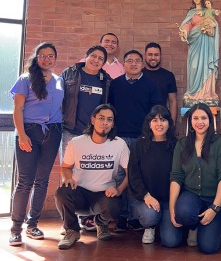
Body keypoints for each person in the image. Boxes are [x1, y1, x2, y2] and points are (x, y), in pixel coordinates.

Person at [9, 42, 64, 246]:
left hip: (53, 132)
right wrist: (22, 135)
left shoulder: (59, 81)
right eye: (43, 56)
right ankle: (16, 228)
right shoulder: (25, 79)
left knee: (42, 181)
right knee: (25, 181)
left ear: (55, 58)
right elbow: (17, 109)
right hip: (29, 132)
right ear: (36, 57)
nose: (47, 59)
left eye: (51, 56)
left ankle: (32, 224)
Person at [55, 104, 130, 250]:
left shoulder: (119, 144)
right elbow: (65, 167)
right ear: (93, 120)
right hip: (80, 193)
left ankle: (101, 222)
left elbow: (131, 172)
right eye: (101, 118)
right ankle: (72, 230)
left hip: (103, 195)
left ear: (113, 123)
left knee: (115, 206)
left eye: (109, 119)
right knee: (62, 192)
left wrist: (119, 190)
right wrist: (68, 178)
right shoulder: (77, 142)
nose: (105, 123)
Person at [108, 49, 162, 231]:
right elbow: (110, 110)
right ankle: (121, 215)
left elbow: (156, 112)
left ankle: (135, 216)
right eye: (129, 60)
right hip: (119, 137)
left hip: (142, 138)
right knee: (120, 177)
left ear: (142, 64)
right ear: (124, 65)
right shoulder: (115, 84)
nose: (133, 63)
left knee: (138, 176)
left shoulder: (150, 85)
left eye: (137, 61)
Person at [169, 103, 221, 254]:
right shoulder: (182, 144)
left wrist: (215, 208)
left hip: (215, 199)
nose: (200, 122)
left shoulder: (220, 143)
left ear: (210, 120)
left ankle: (217, 226)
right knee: (183, 212)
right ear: (190, 121)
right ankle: (194, 226)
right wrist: (172, 209)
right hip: (191, 195)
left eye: (204, 118)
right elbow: (176, 177)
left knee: (208, 247)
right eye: (195, 118)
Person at [61, 45, 112, 231]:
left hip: (93, 134)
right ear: (86, 56)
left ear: (104, 63)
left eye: (100, 58)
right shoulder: (70, 73)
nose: (96, 60)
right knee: (68, 174)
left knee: (90, 174)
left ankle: (89, 219)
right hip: (71, 130)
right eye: (93, 56)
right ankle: (68, 223)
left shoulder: (105, 80)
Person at [128, 105, 181, 246]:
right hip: (144, 199)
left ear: (169, 123)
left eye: (163, 120)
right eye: (155, 120)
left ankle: (164, 220)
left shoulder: (176, 145)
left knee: (171, 241)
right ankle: (149, 227)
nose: (159, 124)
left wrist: (174, 203)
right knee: (151, 216)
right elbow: (133, 175)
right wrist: (146, 196)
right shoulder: (138, 145)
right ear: (149, 123)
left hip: (168, 201)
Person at [178, 0, 219, 107]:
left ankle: (207, 93)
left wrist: (210, 26)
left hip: (207, 42)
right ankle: (193, 93)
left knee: (206, 65)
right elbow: (186, 25)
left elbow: (214, 23)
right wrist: (184, 31)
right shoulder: (191, 12)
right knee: (194, 67)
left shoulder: (208, 10)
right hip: (195, 43)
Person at [142, 42, 178, 124]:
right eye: (150, 54)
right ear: (145, 56)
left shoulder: (168, 75)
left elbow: (173, 101)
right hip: (140, 122)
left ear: (160, 56)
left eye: (156, 55)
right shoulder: (139, 74)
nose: (153, 57)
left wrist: (172, 124)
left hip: (161, 122)